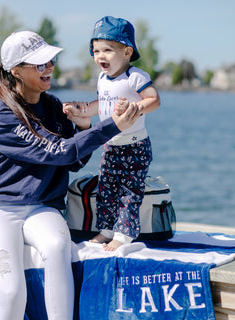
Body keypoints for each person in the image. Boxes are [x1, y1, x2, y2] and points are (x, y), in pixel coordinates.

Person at [0, 30, 141, 320]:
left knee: (58, 247)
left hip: (43, 207)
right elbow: (58, 152)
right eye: (39, 64)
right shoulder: (3, 115)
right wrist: (111, 126)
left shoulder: (52, 106)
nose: (49, 67)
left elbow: (73, 161)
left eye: (50, 60)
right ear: (16, 71)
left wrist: (86, 126)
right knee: (12, 293)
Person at [63, 16, 161, 251]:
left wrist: (136, 107)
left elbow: (154, 100)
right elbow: (102, 103)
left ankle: (124, 234)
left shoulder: (135, 76)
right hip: (111, 145)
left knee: (129, 190)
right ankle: (106, 229)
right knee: (106, 188)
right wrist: (84, 110)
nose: (100, 56)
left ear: (127, 52)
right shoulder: (102, 79)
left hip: (135, 146)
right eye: (96, 51)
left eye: (107, 50)